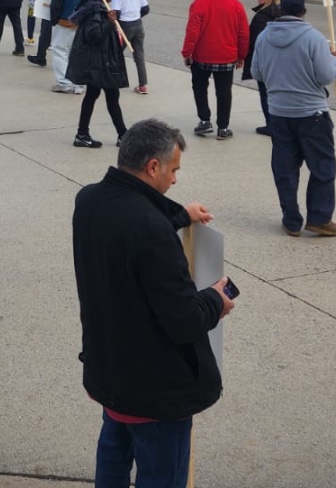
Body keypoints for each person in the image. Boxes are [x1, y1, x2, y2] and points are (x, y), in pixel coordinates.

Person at [72, 118, 234, 488]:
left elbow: (130, 227)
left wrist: (178, 215)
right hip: (156, 391)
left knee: (112, 458)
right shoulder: (152, 232)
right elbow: (183, 320)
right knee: (163, 475)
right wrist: (215, 298)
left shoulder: (89, 200)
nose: (175, 179)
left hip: (111, 371)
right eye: (174, 169)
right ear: (153, 167)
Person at [250, 0, 336, 237]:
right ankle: (320, 218)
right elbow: (325, 75)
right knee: (322, 167)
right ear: (303, 11)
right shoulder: (313, 38)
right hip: (312, 112)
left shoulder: (264, 36)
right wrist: (335, 62)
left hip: (279, 111)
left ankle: (291, 219)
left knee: (285, 168)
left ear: (281, 10)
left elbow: (257, 72)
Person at [181, 0, 250, 140]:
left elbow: (192, 32)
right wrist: (242, 56)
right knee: (224, 92)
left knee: (199, 88)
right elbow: (243, 34)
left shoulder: (199, 3)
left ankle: (205, 121)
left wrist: (187, 52)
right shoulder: (236, 5)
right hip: (227, 56)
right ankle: (223, 128)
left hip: (201, 56)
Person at [67, 0, 127, 148]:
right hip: (97, 64)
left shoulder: (102, 10)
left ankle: (85, 134)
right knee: (109, 96)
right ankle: (121, 135)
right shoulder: (94, 12)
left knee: (101, 96)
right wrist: (109, 22)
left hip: (101, 63)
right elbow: (94, 36)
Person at [242, 0, 281, 136]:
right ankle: (279, 124)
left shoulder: (261, 17)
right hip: (280, 61)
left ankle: (271, 125)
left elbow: (256, 42)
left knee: (265, 94)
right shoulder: (282, 13)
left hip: (265, 63)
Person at [50, 0, 91, 95]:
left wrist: (54, 20)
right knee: (79, 54)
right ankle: (79, 85)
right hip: (83, 24)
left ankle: (64, 83)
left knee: (60, 51)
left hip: (64, 22)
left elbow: (56, 4)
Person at [110, 0, 150, 95]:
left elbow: (116, 12)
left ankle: (111, 80)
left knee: (114, 53)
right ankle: (143, 85)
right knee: (139, 55)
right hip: (138, 25)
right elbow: (146, 9)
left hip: (125, 27)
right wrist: (136, 16)